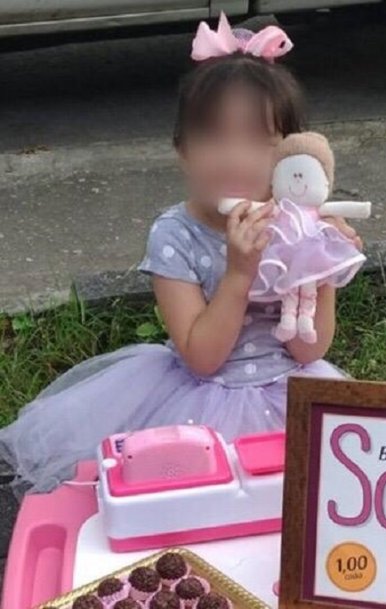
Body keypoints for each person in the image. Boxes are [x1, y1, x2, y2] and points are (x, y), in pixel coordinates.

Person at [0, 15, 359, 495]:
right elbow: (203, 357)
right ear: (182, 151)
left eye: (260, 142)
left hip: (291, 390)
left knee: (309, 498)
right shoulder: (174, 234)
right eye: (214, 138)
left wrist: (322, 267)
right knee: (196, 503)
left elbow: (310, 349)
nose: (235, 158)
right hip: (200, 401)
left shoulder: (293, 223)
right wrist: (238, 273)